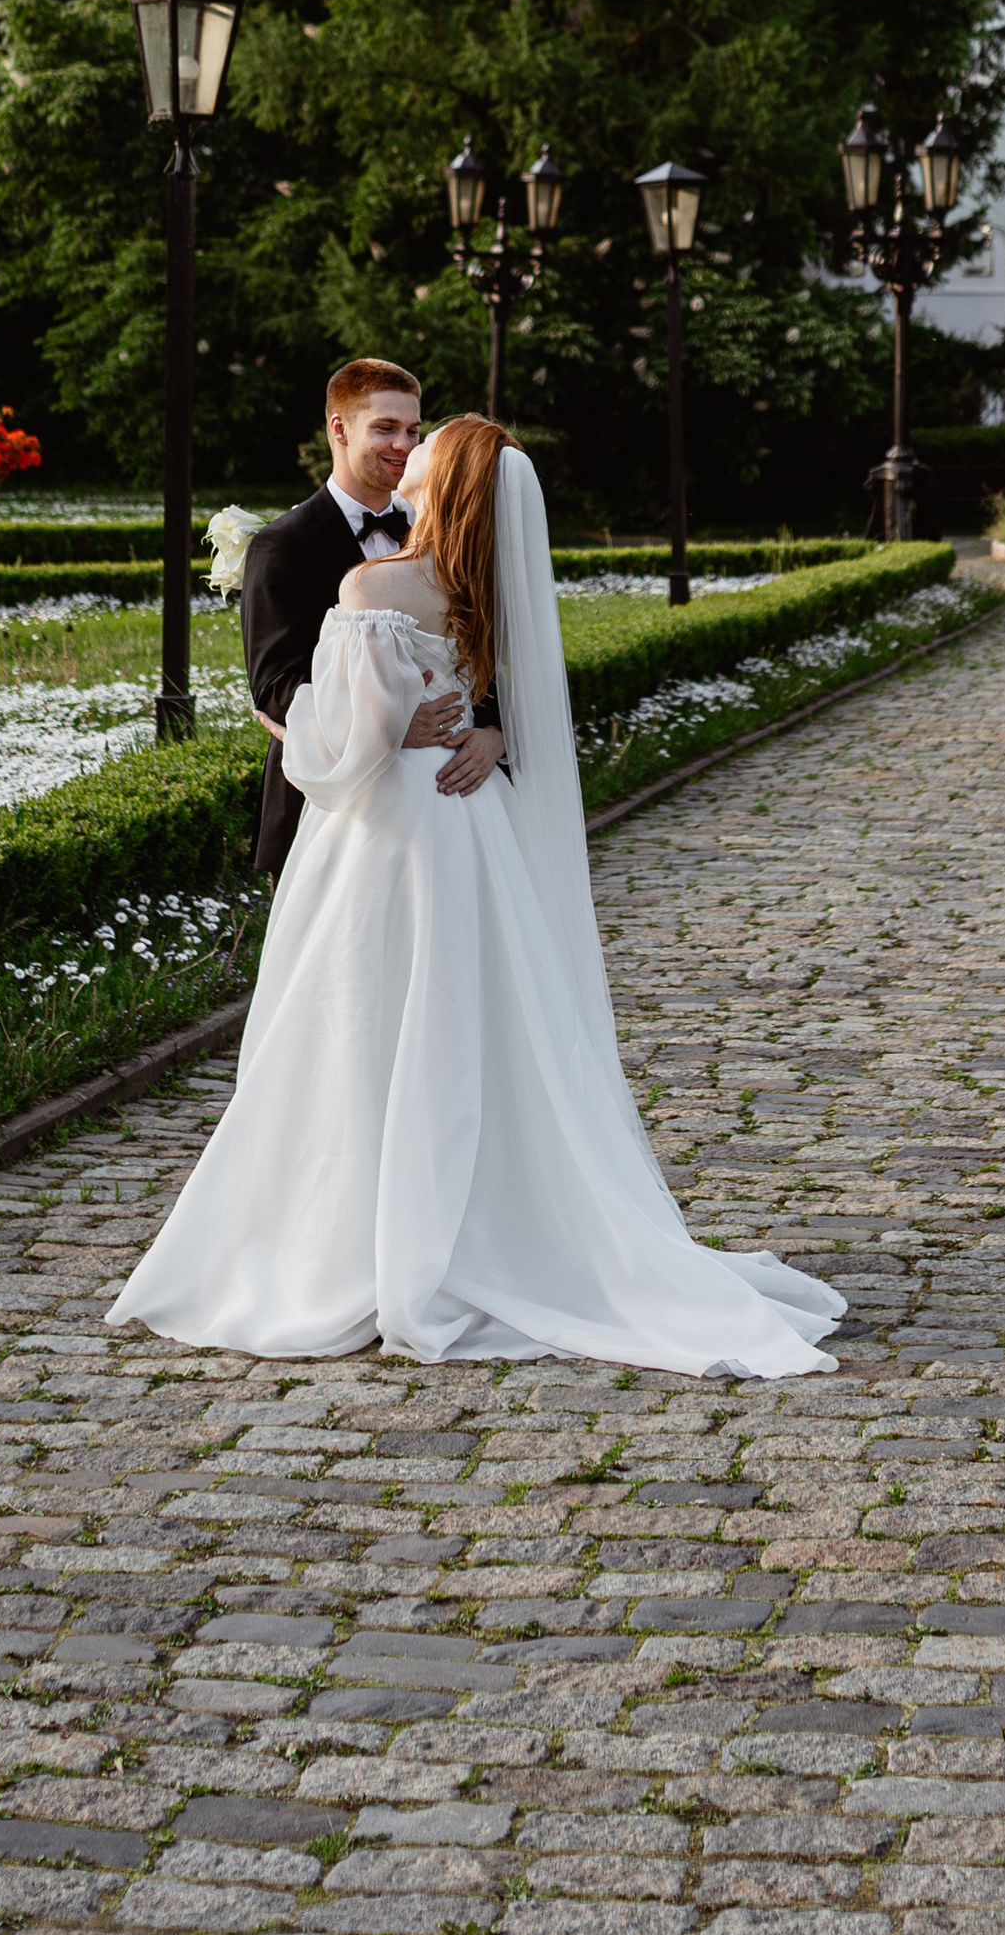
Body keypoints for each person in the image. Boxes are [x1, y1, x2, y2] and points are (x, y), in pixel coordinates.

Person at [109, 415, 844, 1375]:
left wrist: (339, 735)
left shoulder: (371, 586)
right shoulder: (485, 591)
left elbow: (343, 748)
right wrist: (484, 732)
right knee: (474, 1019)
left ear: (443, 476)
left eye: (426, 442)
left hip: (389, 832)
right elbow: (507, 699)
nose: (408, 450)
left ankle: (354, 1243)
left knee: (362, 1019)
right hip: (473, 821)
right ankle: (485, 1224)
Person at [238, 356, 502, 886]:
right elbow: (276, 686)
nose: (403, 445)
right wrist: (388, 725)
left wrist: (495, 733)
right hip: (334, 807)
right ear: (339, 428)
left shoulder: (444, 532)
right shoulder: (282, 545)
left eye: (413, 431)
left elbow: (481, 650)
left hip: (450, 798)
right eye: (385, 428)